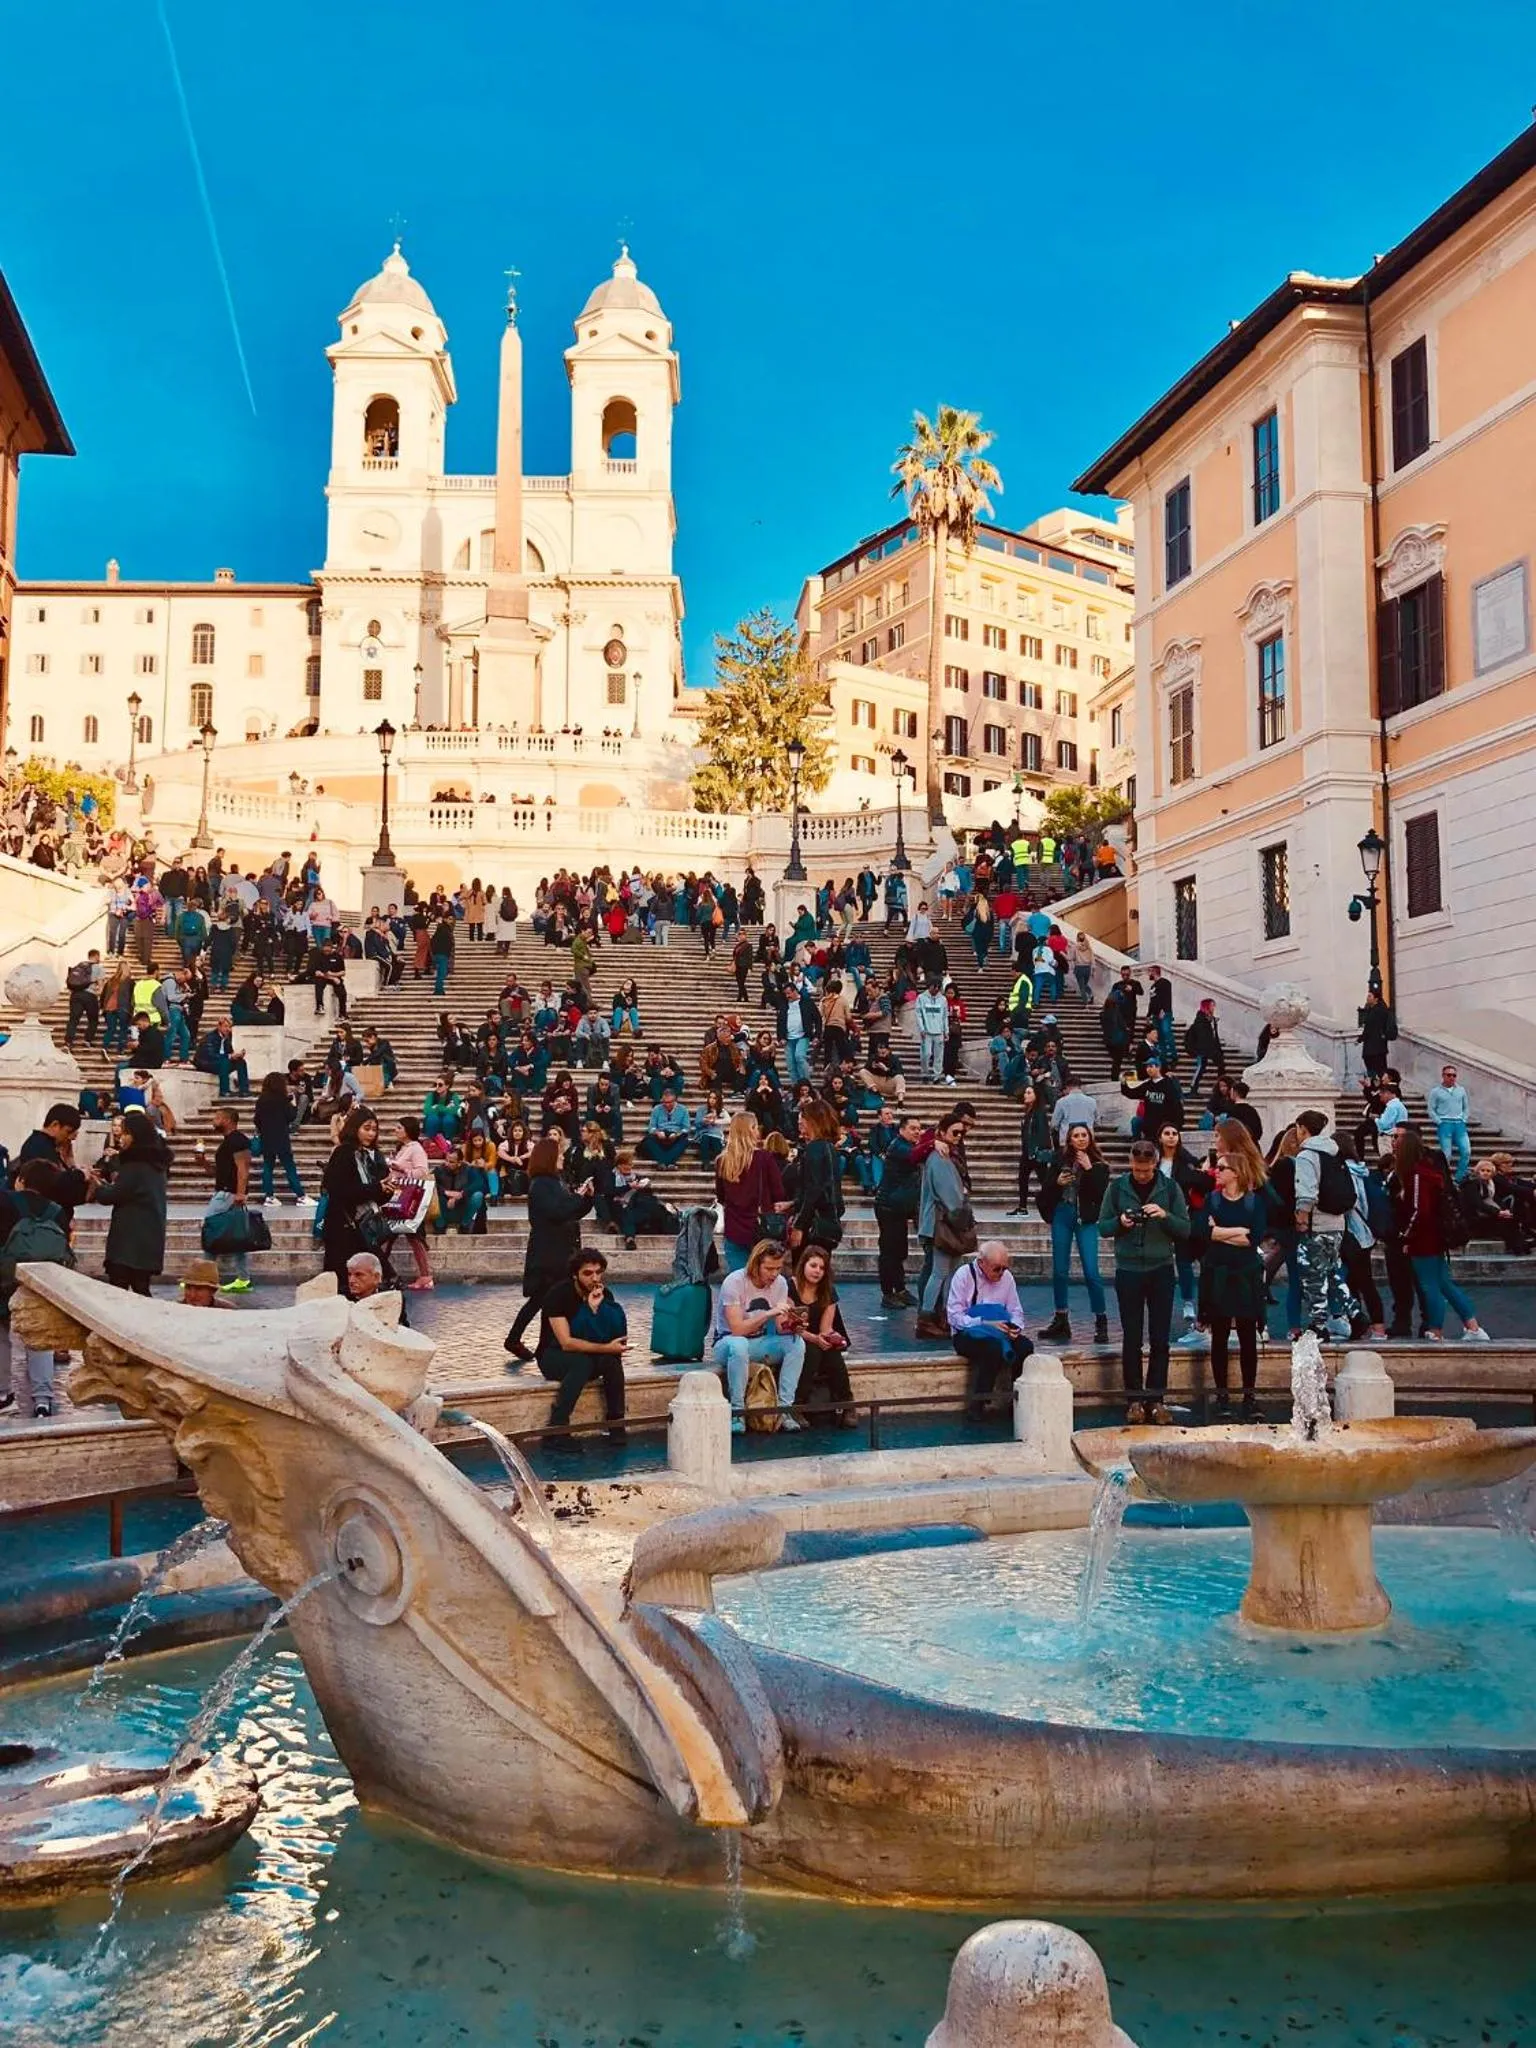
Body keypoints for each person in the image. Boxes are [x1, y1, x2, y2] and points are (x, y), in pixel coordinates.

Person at [1097, 1137, 1190, 1422]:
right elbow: (1102, 1227)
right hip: (1128, 1270)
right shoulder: (1116, 1187)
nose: (1141, 1175)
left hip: (1161, 1268)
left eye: (1146, 1170)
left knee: (1160, 1338)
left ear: (1155, 1164)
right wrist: (1121, 1223)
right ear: (1130, 1163)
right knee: (1132, 1337)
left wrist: (1164, 1216)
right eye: (1137, 1170)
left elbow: (1185, 1229)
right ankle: (1134, 1400)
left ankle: (1156, 1399)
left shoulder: (1170, 1188)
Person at [1395, 1124, 1490, 1341]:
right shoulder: (1429, 1171)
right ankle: (1473, 1326)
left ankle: (1436, 1330)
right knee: (1444, 1283)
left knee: (1430, 1285)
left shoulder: (1417, 1174)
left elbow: (1420, 1209)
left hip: (1423, 1237)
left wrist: (1406, 1235)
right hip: (1435, 1235)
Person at [506, 1135, 594, 1362]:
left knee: (544, 1300)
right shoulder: (542, 1184)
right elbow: (559, 1212)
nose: (563, 1158)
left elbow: (569, 1210)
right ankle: (539, 1345)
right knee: (547, 1299)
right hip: (550, 1252)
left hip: (557, 1249)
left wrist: (585, 1200)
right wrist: (579, 1198)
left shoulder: (552, 1182)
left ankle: (536, 1344)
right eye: (560, 1154)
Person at [1201, 1136, 1271, 1419]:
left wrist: (1221, 1232)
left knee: (1247, 1336)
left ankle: (1249, 1396)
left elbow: (1253, 1238)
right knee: (1218, 1336)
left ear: (1236, 1173)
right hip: (1218, 1273)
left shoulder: (1255, 1202)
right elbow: (1204, 1233)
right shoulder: (1212, 1199)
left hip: (1245, 1275)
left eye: (1221, 1167)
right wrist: (1235, 1232)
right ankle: (1222, 1396)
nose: (1216, 1171)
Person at [711, 1239, 806, 1434]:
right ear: (756, 1264)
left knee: (796, 1344)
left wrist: (794, 1325)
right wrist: (768, 1313)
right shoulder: (734, 1282)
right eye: (769, 1268)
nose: (774, 1274)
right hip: (727, 1342)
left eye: (778, 1268)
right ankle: (737, 1412)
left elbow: (780, 1327)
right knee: (739, 1345)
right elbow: (737, 1329)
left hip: (760, 1342)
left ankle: (784, 1409)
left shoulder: (780, 1284)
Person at [534, 1248, 627, 1441]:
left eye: (599, 1272)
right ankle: (557, 1427)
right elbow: (566, 1343)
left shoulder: (604, 1295)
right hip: (552, 1356)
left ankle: (616, 1424)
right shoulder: (558, 1295)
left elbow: (609, 1334)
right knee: (581, 1363)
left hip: (587, 1354)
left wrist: (597, 1311)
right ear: (575, 1275)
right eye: (587, 1273)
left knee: (611, 1362)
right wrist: (588, 1310)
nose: (595, 1278)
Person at [1038, 1124, 1110, 1346]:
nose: (1080, 1139)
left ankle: (1100, 1320)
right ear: (1069, 1139)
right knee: (1060, 1270)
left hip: (1085, 1219)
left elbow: (1100, 1194)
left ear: (1090, 1138)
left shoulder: (1099, 1165)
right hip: (1063, 1213)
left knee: (1091, 1272)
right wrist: (1056, 1183)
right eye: (1076, 1136)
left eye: (1084, 1135)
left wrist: (1089, 1170)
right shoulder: (1060, 1159)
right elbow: (1046, 1188)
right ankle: (1061, 1319)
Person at [946, 1241, 1033, 1422]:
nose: (1001, 1273)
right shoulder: (963, 1276)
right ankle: (978, 1403)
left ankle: (1017, 1401)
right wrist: (984, 1323)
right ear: (981, 1262)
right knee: (992, 1349)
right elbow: (954, 1317)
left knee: (1025, 1347)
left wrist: (1015, 1327)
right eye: (997, 1269)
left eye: (1004, 1268)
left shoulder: (1007, 1278)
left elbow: (1016, 1310)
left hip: (1001, 1332)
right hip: (967, 1333)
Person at [1292, 1110, 1355, 1339]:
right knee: (1332, 1273)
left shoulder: (1307, 1156)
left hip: (1316, 1224)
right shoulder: (1333, 1153)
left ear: (1302, 1128)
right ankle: (1354, 1312)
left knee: (1313, 1276)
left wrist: (1301, 1219)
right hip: (1337, 1223)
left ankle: (1318, 1324)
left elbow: (1306, 1193)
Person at [97, 1110, 172, 1295]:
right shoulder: (156, 1164)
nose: (122, 1138)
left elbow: (113, 1195)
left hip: (129, 1242)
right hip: (149, 1238)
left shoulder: (135, 1164)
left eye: (126, 1133)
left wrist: (97, 1186)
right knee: (141, 1287)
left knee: (119, 1291)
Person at [914, 1114, 973, 1339]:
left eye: (962, 1133)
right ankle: (928, 1317)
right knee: (940, 1272)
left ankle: (944, 1316)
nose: (959, 1137)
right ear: (942, 1132)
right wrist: (962, 1210)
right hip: (944, 1223)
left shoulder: (945, 1155)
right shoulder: (939, 1157)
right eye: (955, 1132)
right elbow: (949, 1194)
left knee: (948, 1273)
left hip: (944, 1222)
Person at [319, 1108, 392, 1285]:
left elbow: (372, 1193)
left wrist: (386, 1191)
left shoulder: (367, 1156)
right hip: (343, 1226)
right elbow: (339, 1190)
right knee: (343, 1280)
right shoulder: (343, 1153)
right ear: (355, 1128)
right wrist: (376, 1188)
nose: (371, 1134)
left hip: (362, 1228)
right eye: (366, 1128)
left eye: (374, 1130)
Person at [787, 1243, 856, 1428]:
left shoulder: (828, 1291)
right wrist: (815, 1339)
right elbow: (792, 1325)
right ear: (803, 1265)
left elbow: (826, 1327)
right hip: (793, 1335)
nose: (817, 1271)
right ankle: (798, 1405)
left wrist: (828, 1339)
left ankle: (847, 1404)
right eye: (813, 1266)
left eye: (822, 1268)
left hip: (817, 1335)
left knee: (832, 1352)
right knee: (812, 1351)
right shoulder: (789, 1287)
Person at [715, 1112, 786, 1276]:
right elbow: (779, 1192)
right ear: (750, 1130)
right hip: (760, 1227)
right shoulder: (764, 1158)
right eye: (755, 1127)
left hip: (734, 1227)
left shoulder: (722, 1161)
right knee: (763, 1281)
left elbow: (721, 1196)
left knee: (738, 1280)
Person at [203, 1102, 253, 1294]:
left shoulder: (238, 1140)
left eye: (217, 1118)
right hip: (226, 1192)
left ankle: (204, 1276)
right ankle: (243, 1278)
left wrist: (240, 1193)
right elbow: (219, 1172)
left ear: (227, 1120)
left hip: (228, 1194)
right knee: (236, 1236)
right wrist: (204, 1163)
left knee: (211, 1230)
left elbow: (243, 1168)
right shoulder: (227, 1142)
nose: (214, 1121)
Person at [873, 1110, 921, 1309]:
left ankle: (900, 1289)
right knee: (889, 1251)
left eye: (919, 1128)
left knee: (899, 1250)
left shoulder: (907, 1146)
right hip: (888, 1206)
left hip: (899, 1207)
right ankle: (887, 1293)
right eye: (912, 1128)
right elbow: (915, 1156)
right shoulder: (899, 1147)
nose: (917, 1132)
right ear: (902, 1130)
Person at [789, 1097, 844, 1253]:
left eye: (803, 1120)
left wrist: (799, 1225)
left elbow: (813, 1189)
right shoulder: (829, 1148)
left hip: (814, 1222)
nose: (800, 1124)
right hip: (828, 1219)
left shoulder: (814, 1149)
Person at [391, 1116, 436, 1290]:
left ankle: (425, 1276)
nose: (396, 1130)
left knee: (412, 1236)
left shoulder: (416, 1149)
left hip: (409, 1199)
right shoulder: (404, 1148)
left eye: (399, 1127)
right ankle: (424, 1276)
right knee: (405, 1236)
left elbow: (422, 1172)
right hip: (398, 1196)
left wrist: (402, 1169)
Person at [253, 1071, 307, 1204]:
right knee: (289, 1166)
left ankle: (269, 1196)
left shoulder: (261, 1100)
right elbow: (291, 1116)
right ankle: (300, 1195)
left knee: (268, 1166)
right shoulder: (282, 1100)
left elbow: (256, 1120)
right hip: (281, 1137)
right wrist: (293, 1103)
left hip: (266, 1137)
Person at [1427, 1064, 1471, 1183]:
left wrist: (1464, 1119)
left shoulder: (1461, 1090)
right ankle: (1444, 1178)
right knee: (1446, 1154)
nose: (1452, 1077)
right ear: (1443, 1076)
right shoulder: (1435, 1091)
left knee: (1466, 1151)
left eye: (1454, 1075)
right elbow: (1431, 1109)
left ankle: (1458, 1178)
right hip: (1445, 1123)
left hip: (1459, 1123)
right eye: (1449, 1075)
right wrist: (1439, 1121)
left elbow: (1466, 1106)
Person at [193, 1018, 250, 1098]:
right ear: (219, 1027)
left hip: (221, 1062)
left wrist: (236, 1056)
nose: (228, 1029)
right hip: (206, 1063)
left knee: (241, 1062)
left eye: (229, 1027)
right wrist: (229, 1056)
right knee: (224, 1062)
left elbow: (229, 1051)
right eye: (226, 1026)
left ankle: (244, 1090)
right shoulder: (210, 1037)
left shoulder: (227, 1037)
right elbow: (210, 1055)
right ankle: (224, 1091)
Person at [641, 1089, 691, 1168]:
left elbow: (687, 1128)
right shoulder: (657, 1109)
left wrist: (677, 1134)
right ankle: (670, 1162)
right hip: (661, 1134)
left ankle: (662, 1162)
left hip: (675, 1134)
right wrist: (657, 1132)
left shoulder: (683, 1109)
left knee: (684, 1140)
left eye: (670, 1102)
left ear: (675, 1101)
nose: (667, 1105)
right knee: (648, 1141)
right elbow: (651, 1128)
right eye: (665, 1102)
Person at [1184, 999, 1225, 1092]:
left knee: (1221, 1065)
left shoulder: (1212, 1020)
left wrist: (1218, 1047)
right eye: (1212, 1005)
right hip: (1202, 1049)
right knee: (1201, 1067)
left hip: (1213, 1048)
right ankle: (1193, 1088)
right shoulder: (1200, 1020)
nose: (1213, 1008)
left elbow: (1214, 1035)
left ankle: (1221, 1087)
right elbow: (1201, 1036)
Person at [914, 977, 949, 1085]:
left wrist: (945, 1031)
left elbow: (945, 1016)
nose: (936, 990)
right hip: (927, 1031)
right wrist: (922, 1028)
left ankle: (936, 1076)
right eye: (934, 987)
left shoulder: (943, 999)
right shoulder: (921, 998)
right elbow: (918, 1014)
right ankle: (925, 1073)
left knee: (939, 1055)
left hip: (939, 1031)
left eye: (938, 988)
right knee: (926, 1054)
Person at [1357, 989, 1397, 1077]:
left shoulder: (1378, 1011)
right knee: (1376, 1069)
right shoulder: (1373, 1010)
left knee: (1377, 1070)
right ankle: (1375, 1085)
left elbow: (1369, 1028)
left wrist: (1360, 1039)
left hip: (1375, 1047)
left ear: (1376, 999)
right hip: (1375, 1047)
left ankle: (1377, 1086)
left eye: (1370, 996)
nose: (1367, 998)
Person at [1071, 930, 1094, 1004]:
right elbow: (1092, 959)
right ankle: (1090, 994)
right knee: (1084, 984)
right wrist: (1093, 969)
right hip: (1087, 968)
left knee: (1082, 986)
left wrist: (1062, 954)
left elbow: (1072, 957)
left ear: (1077, 938)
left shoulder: (1075, 946)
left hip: (1079, 968)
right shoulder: (1089, 947)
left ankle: (1085, 1002)